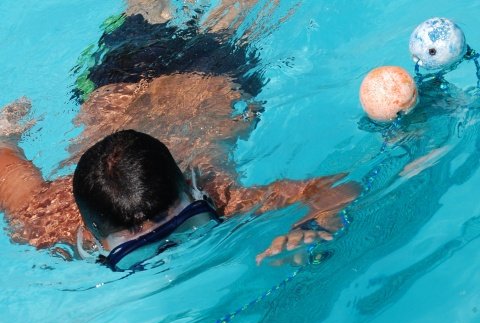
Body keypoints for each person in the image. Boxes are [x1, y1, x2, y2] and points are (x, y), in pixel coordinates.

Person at [0, 3, 358, 268]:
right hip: (145, 78)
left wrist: (309, 227)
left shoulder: (221, 196)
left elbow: (333, 189)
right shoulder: (50, 220)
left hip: (201, 69)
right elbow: (335, 189)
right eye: (134, 252)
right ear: (96, 240)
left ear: (192, 188)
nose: (170, 250)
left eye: (186, 226)